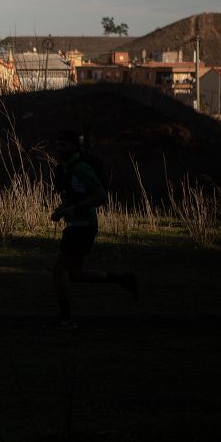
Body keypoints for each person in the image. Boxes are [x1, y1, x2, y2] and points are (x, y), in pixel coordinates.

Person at [50, 130, 137, 328]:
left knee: (57, 270)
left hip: (83, 227)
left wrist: (73, 209)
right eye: (57, 145)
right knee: (76, 274)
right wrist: (61, 211)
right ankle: (124, 280)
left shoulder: (81, 168)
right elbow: (75, 197)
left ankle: (66, 318)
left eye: (64, 145)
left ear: (73, 147)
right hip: (77, 225)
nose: (59, 149)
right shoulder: (64, 169)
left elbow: (100, 196)